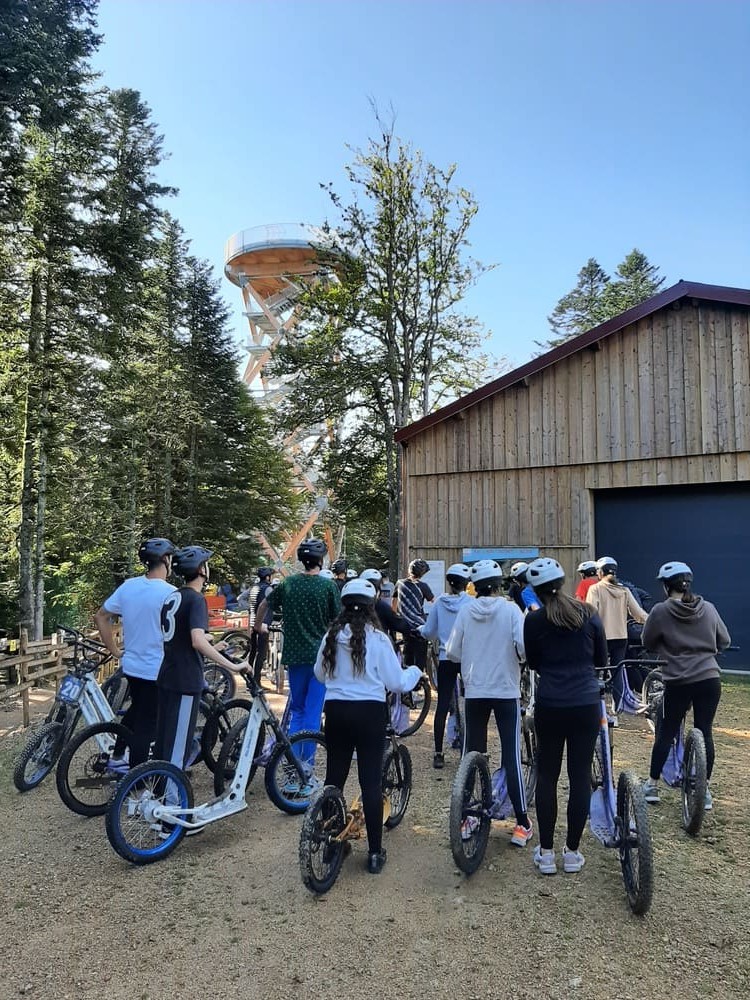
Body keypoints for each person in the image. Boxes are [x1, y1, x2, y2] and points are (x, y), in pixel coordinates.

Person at [314, 578, 423, 874]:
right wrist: (415, 671)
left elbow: (320, 675)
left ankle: (331, 843)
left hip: (336, 711)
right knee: (370, 782)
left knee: (333, 778)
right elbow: (396, 682)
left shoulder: (331, 636)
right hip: (369, 714)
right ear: (372, 606)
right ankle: (375, 853)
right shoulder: (377, 639)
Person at [523, 557, 608, 875]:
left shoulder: (534, 621)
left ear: (536, 590)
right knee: (580, 777)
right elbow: (601, 658)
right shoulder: (588, 614)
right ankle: (572, 852)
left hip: (551, 704)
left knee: (547, 776)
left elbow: (532, 663)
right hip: (586, 703)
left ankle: (546, 854)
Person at [446, 559, 533, 847]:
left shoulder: (465, 611)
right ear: (499, 585)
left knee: (471, 751)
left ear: (476, 586)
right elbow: (523, 648)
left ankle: (466, 815)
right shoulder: (510, 611)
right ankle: (521, 823)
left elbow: (453, 652)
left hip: (475, 690)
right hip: (506, 689)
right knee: (511, 753)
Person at [641, 562, 730, 809]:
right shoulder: (709, 608)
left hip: (678, 680)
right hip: (709, 679)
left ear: (666, 586)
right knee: (705, 731)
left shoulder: (660, 611)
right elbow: (724, 639)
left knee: (666, 730)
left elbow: (647, 641)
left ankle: (652, 785)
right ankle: (705, 790)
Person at [155, 546, 248, 772]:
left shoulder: (173, 596)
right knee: (179, 746)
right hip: (186, 680)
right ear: (201, 569)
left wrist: (212, 646)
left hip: (166, 674)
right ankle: (172, 799)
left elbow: (181, 639)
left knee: (163, 740)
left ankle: (155, 789)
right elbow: (197, 640)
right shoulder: (196, 600)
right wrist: (233, 665)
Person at [94, 537, 177, 768]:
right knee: (147, 725)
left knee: (137, 708)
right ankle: (137, 782)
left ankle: (119, 753)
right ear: (166, 560)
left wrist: (114, 649)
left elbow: (101, 616)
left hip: (131, 666)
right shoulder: (171, 593)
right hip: (156, 669)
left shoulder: (129, 586)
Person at [255, 538, 341, 737]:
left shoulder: (288, 583)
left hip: (294, 656)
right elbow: (337, 620)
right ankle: (306, 764)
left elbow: (263, 606)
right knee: (313, 712)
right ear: (321, 560)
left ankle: (292, 760)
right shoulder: (328, 587)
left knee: (297, 709)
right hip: (321, 656)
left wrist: (259, 626)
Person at [419, 563, 472, 769]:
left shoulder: (440, 602)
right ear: (466, 583)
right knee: (471, 702)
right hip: (466, 658)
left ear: (449, 583)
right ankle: (471, 750)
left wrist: (422, 630)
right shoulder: (470, 603)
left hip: (445, 658)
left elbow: (429, 631)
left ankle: (439, 753)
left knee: (442, 705)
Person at [586, 556, 648, 701]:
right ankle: (618, 705)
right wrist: (654, 621)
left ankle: (595, 703)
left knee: (595, 671)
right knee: (618, 671)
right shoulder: (624, 590)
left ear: (600, 572)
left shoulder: (595, 589)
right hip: (621, 637)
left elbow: (591, 614)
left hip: (601, 637)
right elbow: (638, 614)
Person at [392, 558, 434, 670]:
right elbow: (434, 602)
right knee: (420, 653)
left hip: (404, 623)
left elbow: (394, 604)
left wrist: (394, 618)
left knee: (408, 649)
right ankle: (420, 675)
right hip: (419, 624)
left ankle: (407, 675)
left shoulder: (400, 583)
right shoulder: (423, 586)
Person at [247, 567, 274, 686]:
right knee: (261, 653)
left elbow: (251, 606)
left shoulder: (254, 588)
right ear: (268, 577)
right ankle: (256, 682)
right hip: (262, 624)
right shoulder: (267, 589)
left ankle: (250, 679)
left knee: (253, 652)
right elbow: (267, 606)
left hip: (253, 623)